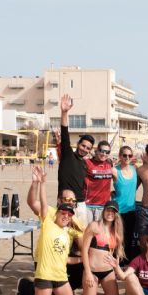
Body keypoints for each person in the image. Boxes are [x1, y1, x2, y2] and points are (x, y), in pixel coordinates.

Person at [6, 170, 83, 295]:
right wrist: (40, 183)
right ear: (59, 202)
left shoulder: (70, 228)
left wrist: (85, 258)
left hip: (60, 273)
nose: (66, 214)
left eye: (72, 203)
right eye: (64, 211)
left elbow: (78, 243)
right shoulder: (49, 219)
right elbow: (38, 201)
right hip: (45, 270)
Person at [79, 201, 124, 295]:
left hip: (108, 271)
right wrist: (88, 273)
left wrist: (115, 264)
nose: (110, 213)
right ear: (104, 211)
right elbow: (84, 250)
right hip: (92, 271)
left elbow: (114, 252)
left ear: (116, 215)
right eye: (108, 210)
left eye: (113, 211)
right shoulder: (94, 226)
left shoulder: (116, 231)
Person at [57, 93, 94, 226]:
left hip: (81, 205)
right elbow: (64, 131)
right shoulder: (67, 155)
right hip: (65, 203)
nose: (84, 149)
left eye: (88, 148)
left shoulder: (85, 164)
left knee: (81, 237)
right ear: (78, 144)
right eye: (83, 145)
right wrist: (64, 112)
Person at [112, 145, 138, 262]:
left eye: (129, 155)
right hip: (118, 211)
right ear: (120, 156)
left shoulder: (135, 169)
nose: (127, 157)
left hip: (131, 210)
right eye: (124, 155)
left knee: (128, 238)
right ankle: (116, 261)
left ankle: (125, 262)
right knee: (117, 239)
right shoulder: (115, 170)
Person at [84, 140, 113, 223]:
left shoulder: (109, 164)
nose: (104, 154)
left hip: (104, 206)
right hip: (88, 205)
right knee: (87, 233)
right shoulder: (87, 163)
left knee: (99, 234)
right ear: (96, 151)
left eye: (107, 152)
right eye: (102, 151)